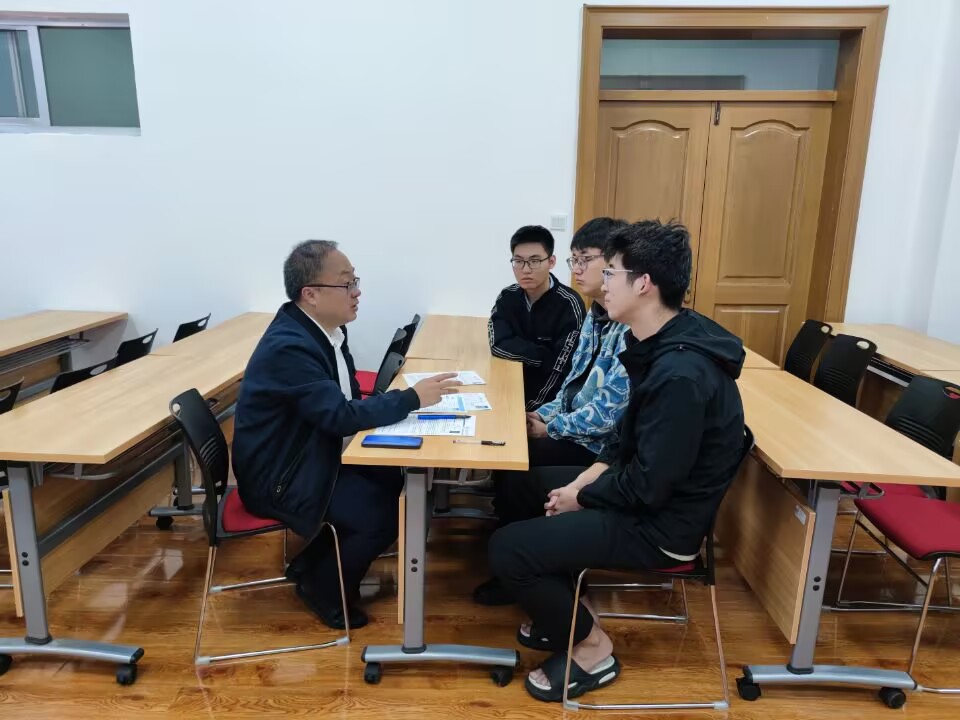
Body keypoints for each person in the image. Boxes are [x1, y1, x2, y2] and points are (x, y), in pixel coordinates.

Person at [488, 220, 746, 703]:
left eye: (611, 274)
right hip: (643, 494)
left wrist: (583, 496)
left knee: (508, 549)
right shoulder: (657, 342)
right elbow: (623, 439)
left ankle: (593, 648)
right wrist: (582, 482)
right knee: (523, 483)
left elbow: (650, 486)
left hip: (662, 527)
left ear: (643, 284)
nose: (601, 283)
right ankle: (565, 612)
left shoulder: (681, 375)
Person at [232, 240, 459, 630]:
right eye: (346, 283)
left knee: (391, 480)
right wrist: (410, 399)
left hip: (310, 453)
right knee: (381, 515)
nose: (357, 292)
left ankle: (312, 565)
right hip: (279, 478)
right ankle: (325, 589)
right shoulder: (290, 347)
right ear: (311, 294)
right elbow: (338, 415)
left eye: (355, 281)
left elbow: (345, 400)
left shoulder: (328, 332)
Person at [472, 217, 632, 606]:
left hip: (599, 447)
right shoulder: (596, 315)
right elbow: (571, 384)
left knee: (516, 462)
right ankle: (514, 554)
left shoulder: (624, 325)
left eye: (586, 260)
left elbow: (606, 415)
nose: (578, 269)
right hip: (572, 427)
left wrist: (550, 427)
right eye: (575, 260)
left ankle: (525, 564)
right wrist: (544, 415)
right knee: (511, 446)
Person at [489, 225, 585, 410]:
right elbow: (498, 345)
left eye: (534, 261)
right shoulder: (507, 297)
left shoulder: (570, 305)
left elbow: (561, 371)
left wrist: (534, 409)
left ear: (551, 262)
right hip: (508, 391)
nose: (526, 269)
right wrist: (543, 355)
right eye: (518, 261)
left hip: (545, 407)